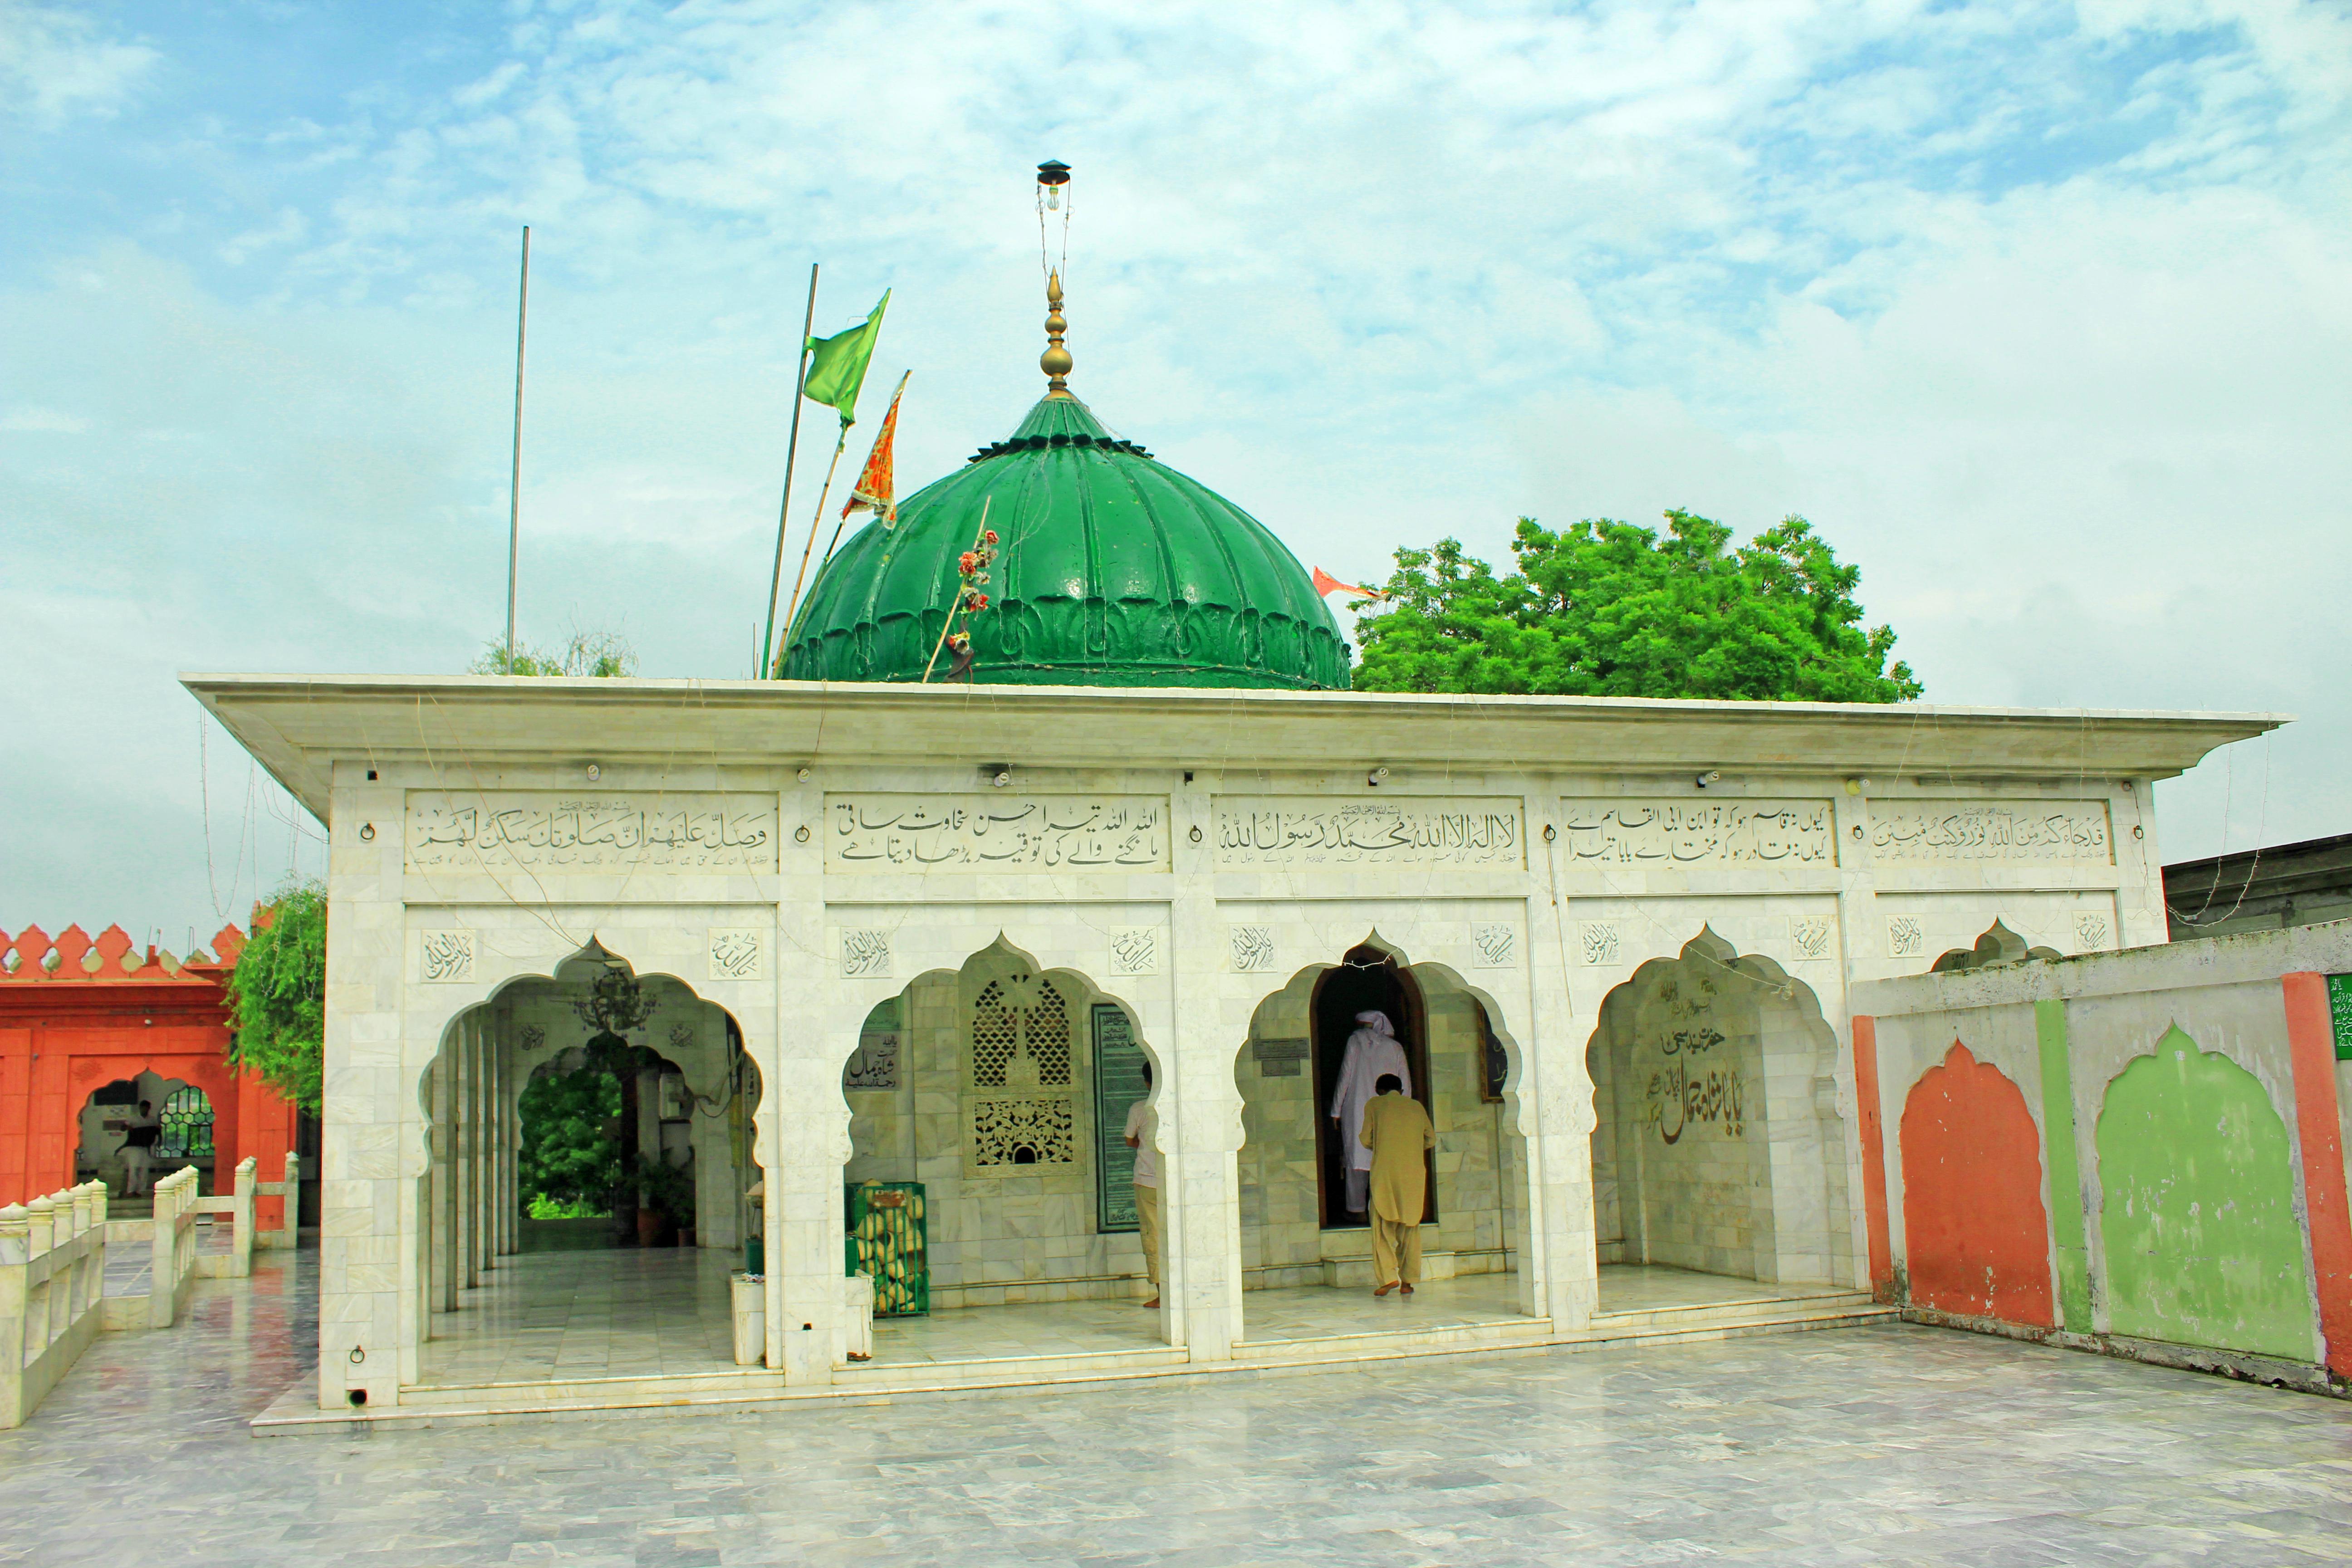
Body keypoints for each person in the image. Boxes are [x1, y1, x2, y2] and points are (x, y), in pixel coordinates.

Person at [1328, 1009, 1410, 1215]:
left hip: (1357, 1110)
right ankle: (1383, 1208)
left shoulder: (1355, 1042)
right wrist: (1405, 1110)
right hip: (1390, 1111)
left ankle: (1357, 1210)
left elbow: (1345, 1076)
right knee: (1382, 1158)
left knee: (1357, 1159)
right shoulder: (1395, 1047)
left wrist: (1336, 1111)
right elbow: (1405, 1084)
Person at [1359, 1073, 1433, 1297]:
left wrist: (1382, 1145)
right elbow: (1431, 1139)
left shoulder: (1375, 1105)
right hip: (1413, 1176)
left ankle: (1389, 1278)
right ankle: (1408, 1282)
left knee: (1381, 1228)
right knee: (1410, 1230)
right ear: (1401, 1091)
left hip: (1385, 1174)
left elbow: (1365, 1139)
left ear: (1379, 1090)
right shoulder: (1416, 1107)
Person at [1124, 1062, 1161, 1309]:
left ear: (1147, 1082)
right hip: (1176, 1181)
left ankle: (1164, 1293)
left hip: (1148, 1181)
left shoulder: (1140, 1109)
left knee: (1153, 1236)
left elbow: (1130, 1140)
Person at [120, 1099, 161, 1197]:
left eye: (147, 1108)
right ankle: (131, 1191)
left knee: (144, 1170)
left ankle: (141, 1191)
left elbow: (158, 1131)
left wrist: (159, 1141)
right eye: (143, 1108)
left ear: (149, 1109)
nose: (145, 1110)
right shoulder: (133, 1119)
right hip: (134, 1147)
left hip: (146, 1148)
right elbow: (122, 1127)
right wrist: (127, 1127)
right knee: (134, 1169)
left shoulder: (152, 1120)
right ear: (140, 1108)